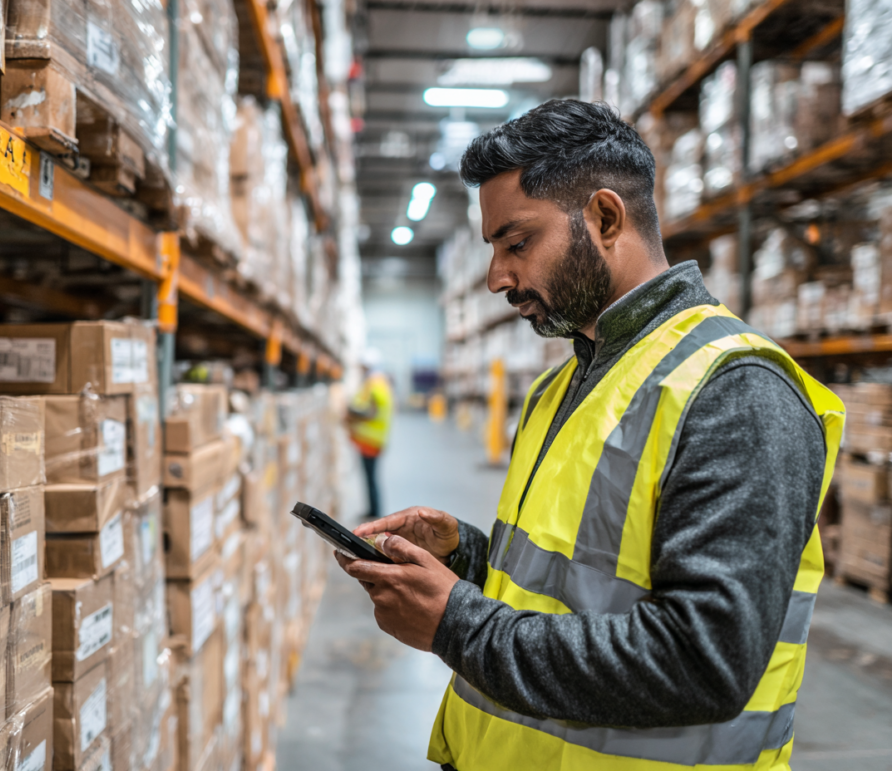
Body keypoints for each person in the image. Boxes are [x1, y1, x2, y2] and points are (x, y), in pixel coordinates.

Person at [337, 100, 843, 770]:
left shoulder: (735, 390)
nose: (497, 279)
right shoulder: (562, 387)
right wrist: (468, 558)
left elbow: (707, 661)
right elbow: (576, 588)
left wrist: (458, 624)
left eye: (517, 243)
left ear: (605, 217)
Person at [347, 348, 394, 519]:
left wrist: (350, 410)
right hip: (374, 439)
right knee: (371, 478)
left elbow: (369, 412)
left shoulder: (374, 384)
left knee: (371, 479)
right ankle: (373, 510)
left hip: (370, 439)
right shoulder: (380, 382)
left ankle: (375, 512)